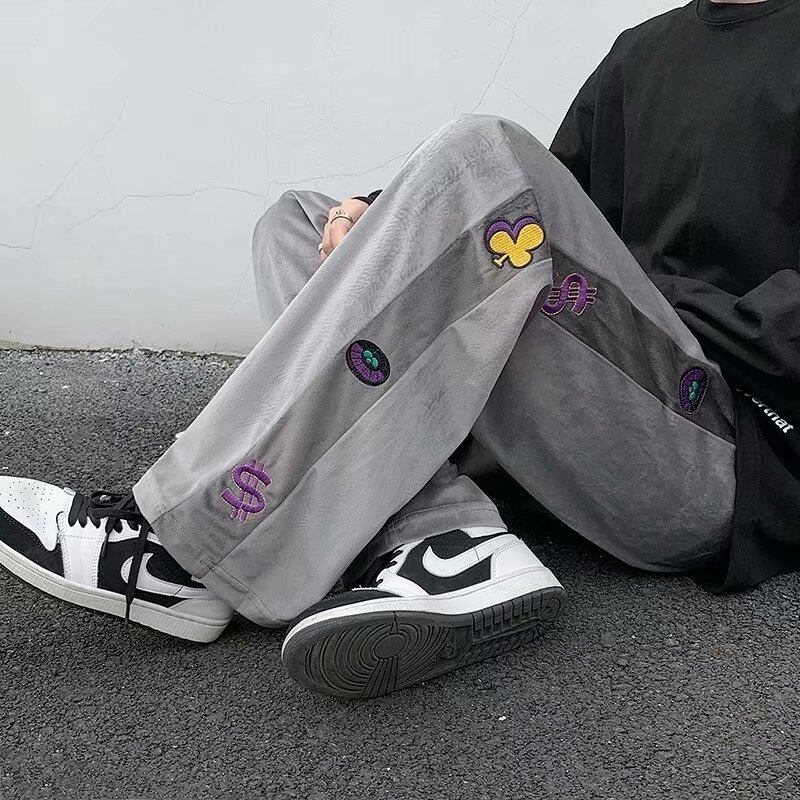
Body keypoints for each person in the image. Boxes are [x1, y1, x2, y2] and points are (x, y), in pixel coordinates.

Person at [1, 0, 798, 700]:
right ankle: (447, 541)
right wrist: (377, 214)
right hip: (590, 409)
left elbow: (541, 215)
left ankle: (184, 542)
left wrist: (644, 296)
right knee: (302, 223)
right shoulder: (643, 51)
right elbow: (557, 204)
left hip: (711, 452)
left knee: (486, 149)